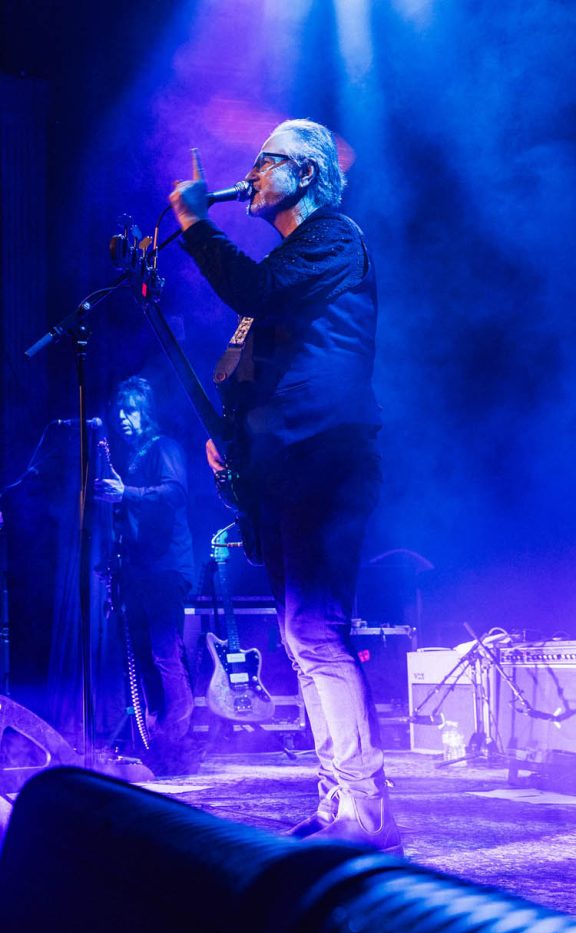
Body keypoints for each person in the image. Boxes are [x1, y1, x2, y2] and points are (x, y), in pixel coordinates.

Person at [168, 119, 398, 851]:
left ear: (306, 173)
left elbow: (254, 287)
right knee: (300, 640)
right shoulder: (296, 264)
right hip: (284, 470)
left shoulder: (334, 239)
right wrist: (228, 435)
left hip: (327, 462)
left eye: (267, 163)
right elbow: (260, 363)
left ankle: (367, 809)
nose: (254, 174)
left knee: (317, 631)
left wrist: (195, 224)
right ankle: (338, 801)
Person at [93, 376, 198, 775]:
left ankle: (176, 742)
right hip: (140, 572)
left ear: (146, 412)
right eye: (118, 411)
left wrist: (127, 494)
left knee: (164, 652)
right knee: (144, 658)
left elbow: (174, 494)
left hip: (166, 568)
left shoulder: (163, 448)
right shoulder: (132, 459)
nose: (122, 418)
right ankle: (157, 737)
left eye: (130, 410)